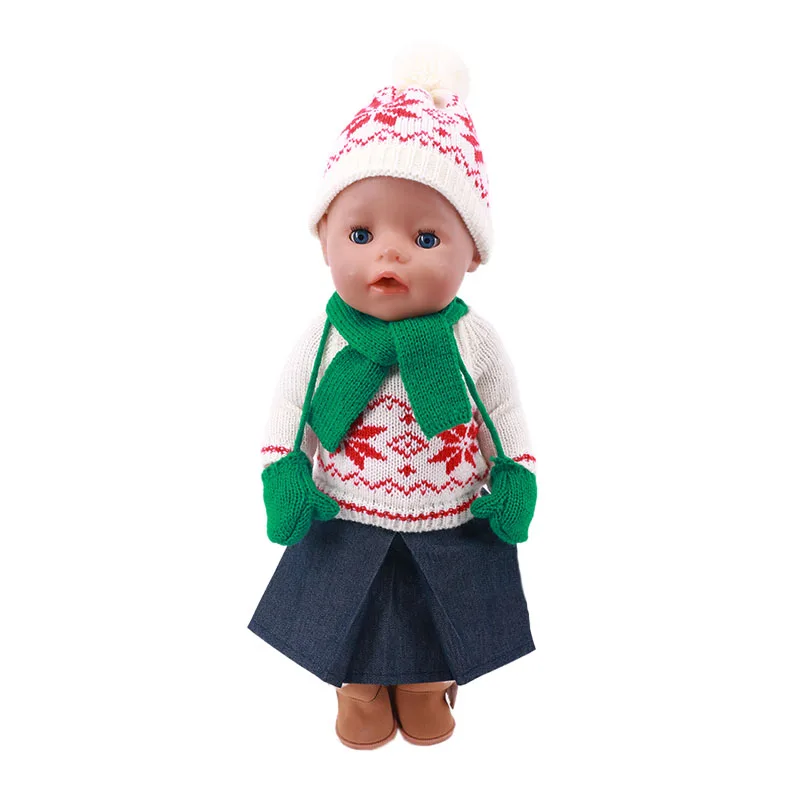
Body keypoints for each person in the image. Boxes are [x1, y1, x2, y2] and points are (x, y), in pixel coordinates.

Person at [249, 43, 539, 749]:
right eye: (361, 232)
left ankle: (425, 683)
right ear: (324, 239)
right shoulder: (327, 338)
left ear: (472, 253)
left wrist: (517, 473)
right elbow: (290, 408)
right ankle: (356, 687)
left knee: (442, 608)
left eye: (426, 236)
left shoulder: (471, 340)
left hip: (452, 516)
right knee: (344, 604)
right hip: (344, 512)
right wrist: (282, 470)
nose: (390, 252)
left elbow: (502, 412)